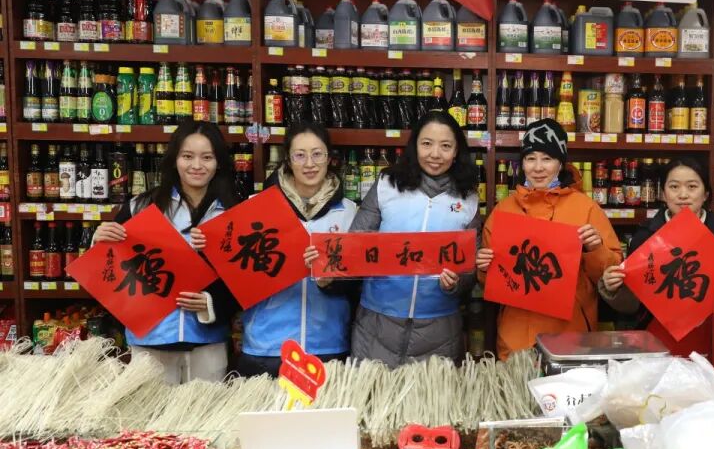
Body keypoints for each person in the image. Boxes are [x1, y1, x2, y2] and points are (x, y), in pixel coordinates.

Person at [92, 121, 241, 384]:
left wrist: (212, 302)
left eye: (207, 157)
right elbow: (107, 272)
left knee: (206, 411)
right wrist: (99, 242)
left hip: (208, 343)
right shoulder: (141, 207)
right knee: (152, 412)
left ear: (219, 162)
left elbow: (247, 280)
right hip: (149, 343)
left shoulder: (233, 213)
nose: (197, 165)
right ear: (174, 159)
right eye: (187, 156)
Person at [477, 118, 622, 358]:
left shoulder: (586, 208)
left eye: (547, 159)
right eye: (530, 158)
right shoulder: (503, 210)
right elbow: (490, 281)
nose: (538, 167)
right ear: (522, 163)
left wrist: (595, 249)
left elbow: (611, 276)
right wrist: (484, 268)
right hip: (515, 338)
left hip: (571, 336)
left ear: (560, 163)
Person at [351, 111, 481, 364]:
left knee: (431, 391)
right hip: (377, 325)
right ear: (415, 146)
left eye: (445, 146)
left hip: (439, 330)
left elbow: (471, 267)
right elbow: (356, 243)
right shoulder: (387, 185)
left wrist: (456, 282)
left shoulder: (468, 199)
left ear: (456, 152)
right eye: (427, 143)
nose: (435, 154)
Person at [598, 156, 714, 356]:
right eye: (674, 187)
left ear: (705, 194)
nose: (683, 195)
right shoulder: (645, 238)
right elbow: (632, 306)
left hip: (710, 344)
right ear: (663, 193)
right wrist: (614, 288)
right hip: (655, 345)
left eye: (692, 187)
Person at [236, 123, 358, 377]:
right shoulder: (256, 208)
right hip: (266, 346)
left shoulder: (349, 212)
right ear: (288, 160)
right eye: (300, 155)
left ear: (329, 158)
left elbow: (360, 282)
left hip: (328, 345)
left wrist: (330, 281)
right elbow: (236, 274)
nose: (309, 164)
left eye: (317, 154)